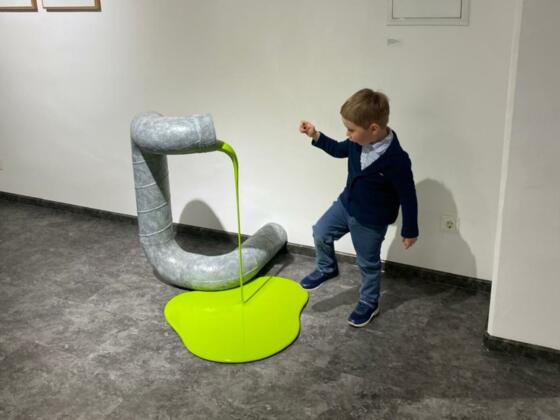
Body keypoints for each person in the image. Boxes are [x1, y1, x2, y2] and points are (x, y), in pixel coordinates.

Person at [299, 88, 419, 327]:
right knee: (320, 231)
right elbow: (337, 149)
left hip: (371, 221)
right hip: (347, 204)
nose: (348, 134)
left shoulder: (397, 160)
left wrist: (410, 229)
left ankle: (369, 302)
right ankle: (327, 268)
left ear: (373, 129)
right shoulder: (356, 143)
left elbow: (408, 195)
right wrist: (315, 135)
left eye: (351, 130)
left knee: (367, 263)